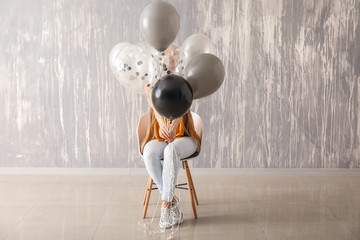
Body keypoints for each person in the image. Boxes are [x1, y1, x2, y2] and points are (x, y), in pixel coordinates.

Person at [142, 82, 201, 229]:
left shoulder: (182, 82)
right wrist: (163, 126)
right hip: (162, 138)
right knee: (149, 151)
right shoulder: (153, 80)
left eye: (173, 57)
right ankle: (172, 201)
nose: (170, 58)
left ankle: (165, 204)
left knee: (171, 150)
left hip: (186, 137)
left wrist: (173, 127)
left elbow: (183, 108)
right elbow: (151, 100)